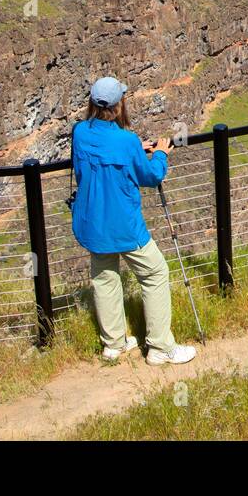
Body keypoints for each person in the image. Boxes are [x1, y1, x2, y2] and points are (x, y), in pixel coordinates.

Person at [70, 76, 196, 366]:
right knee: (155, 273)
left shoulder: (79, 133)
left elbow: (85, 165)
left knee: (104, 278)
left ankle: (113, 345)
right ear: (118, 105)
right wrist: (161, 154)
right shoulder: (126, 141)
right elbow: (150, 177)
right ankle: (160, 347)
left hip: (93, 222)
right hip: (125, 225)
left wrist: (134, 148)